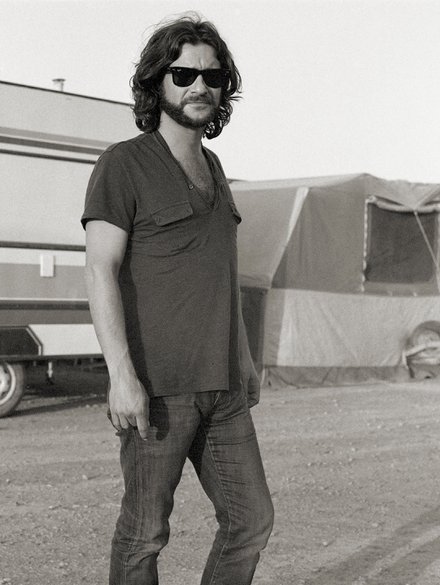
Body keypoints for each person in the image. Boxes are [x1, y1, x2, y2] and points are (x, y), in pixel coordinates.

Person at [82, 14, 274, 585]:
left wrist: (244, 359)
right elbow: (100, 270)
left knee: (251, 520)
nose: (199, 87)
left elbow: (222, 274)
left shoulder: (215, 168)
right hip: (158, 389)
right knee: (144, 535)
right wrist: (121, 376)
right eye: (184, 74)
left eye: (212, 77)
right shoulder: (124, 164)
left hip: (224, 388)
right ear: (156, 82)